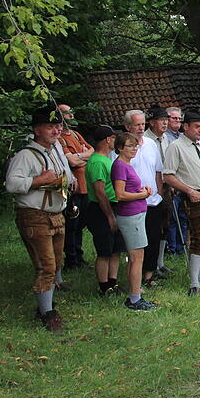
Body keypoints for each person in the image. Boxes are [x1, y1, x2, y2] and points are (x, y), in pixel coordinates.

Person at [6, 103, 71, 331]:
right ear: (37, 130)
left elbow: (66, 176)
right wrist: (39, 181)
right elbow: (12, 184)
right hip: (34, 215)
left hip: (56, 214)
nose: (56, 130)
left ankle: (45, 305)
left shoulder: (54, 151)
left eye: (58, 126)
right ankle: (47, 313)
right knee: (46, 266)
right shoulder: (26, 155)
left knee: (56, 262)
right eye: (50, 127)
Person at [163, 110, 200, 296]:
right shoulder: (176, 146)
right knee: (196, 237)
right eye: (197, 126)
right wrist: (188, 190)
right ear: (185, 126)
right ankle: (194, 282)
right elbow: (168, 176)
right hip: (192, 196)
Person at [111, 133, 157, 311]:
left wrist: (141, 189)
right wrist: (142, 195)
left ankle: (135, 294)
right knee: (137, 258)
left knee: (135, 257)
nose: (134, 149)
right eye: (130, 146)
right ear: (120, 148)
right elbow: (120, 194)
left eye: (136, 146)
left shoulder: (126, 165)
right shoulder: (120, 166)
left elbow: (129, 188)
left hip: (136, 213)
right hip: (130, 215)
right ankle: (135, 298)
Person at [121, 110, 166, 289]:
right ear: (127, 127)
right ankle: (134, 279)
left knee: (154, 238)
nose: (141, 128)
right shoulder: (122, 147)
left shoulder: (150, 144)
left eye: (142, 124)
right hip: (133, 202)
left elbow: (157, 171)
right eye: (137, 125)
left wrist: (159, 194)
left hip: (153, 200)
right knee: (137, 244)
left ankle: (149, 275)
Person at [84, 124, 122, 296]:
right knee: (104, 251)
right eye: (114, 138)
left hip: (114, 206)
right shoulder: (97, 161)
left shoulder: (109, 159)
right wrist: (109, 216)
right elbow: (100, 192)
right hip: (101, 209)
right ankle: (104, 286)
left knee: (115, 249)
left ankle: (113, 282)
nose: (115, 141)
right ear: (108, 139)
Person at [57, 103, 93, 270]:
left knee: (80, 225)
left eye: (71, 113)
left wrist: (79, 157)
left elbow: (92, 151)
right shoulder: (60, 138)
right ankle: (71, 260)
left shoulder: (77, 135)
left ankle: (79, 257)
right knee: (71, 225)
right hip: (73, 189)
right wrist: (81, 156)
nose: (71, 116)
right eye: (67, 114)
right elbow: (70, 161)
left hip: (86, 186)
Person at [143, 105, 173, 277]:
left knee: (165, 224)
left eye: (166, 120)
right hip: (152, 188)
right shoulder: (146, 140)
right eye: (162, 120)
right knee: (152, 228)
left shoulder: (166, 139)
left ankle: (159, 262)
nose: (165, 123)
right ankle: (149, 265)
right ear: (152, 122)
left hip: (166, 186)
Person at [163, 106, 190, 256]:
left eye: (180, 118)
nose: (177, 121)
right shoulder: (166, 137)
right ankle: (172, 248)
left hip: (183, 183)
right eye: (174, 118)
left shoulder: (181, 136)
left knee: (183, 216)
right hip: (172, 182)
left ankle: (182, 245)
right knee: (172, 218)